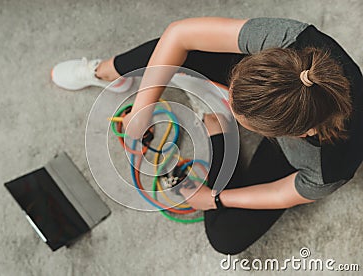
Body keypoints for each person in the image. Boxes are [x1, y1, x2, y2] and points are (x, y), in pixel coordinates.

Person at [51, 17, 363, 255]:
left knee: (226, 238)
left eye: (241, 117)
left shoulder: (332, 168)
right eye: (231, 101)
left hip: (293, 152)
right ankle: (107, 72)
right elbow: (180, 34)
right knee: (175, 53)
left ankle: (221, 133)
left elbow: (282, 193)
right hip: (276, 95)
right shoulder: (292, 41)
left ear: (295, 134)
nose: (223, 97)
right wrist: (145, 104)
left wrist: (215, 198)